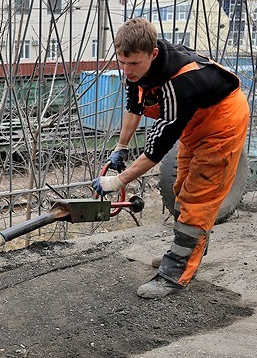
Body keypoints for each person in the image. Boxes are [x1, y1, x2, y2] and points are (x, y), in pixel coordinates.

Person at [92, 18, 249, 298]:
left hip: (221, 125)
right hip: (194, 124)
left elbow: (156, 148)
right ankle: (186, 252)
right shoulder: (139, 70)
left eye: (134, 64)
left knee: (196, 199)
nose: (127, 71)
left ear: (152, 54)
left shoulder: (180, 81)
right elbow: (135, 106)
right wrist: (121, 147)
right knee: (180, 189)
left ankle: (175, 273)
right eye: (122, 63)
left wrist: (117, 182)